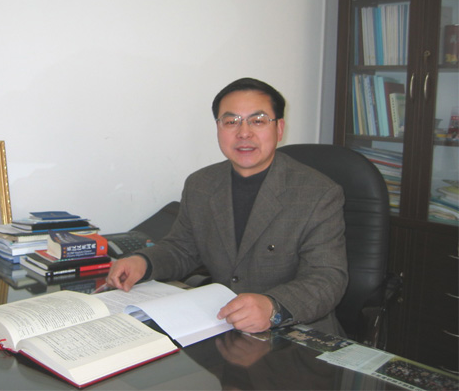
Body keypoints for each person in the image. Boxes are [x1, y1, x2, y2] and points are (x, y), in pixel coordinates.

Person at [106, 77, 348, 335]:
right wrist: (143, 262)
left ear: (279, 129)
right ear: (218, 128)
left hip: (295, 332)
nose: (244, 133)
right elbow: (183, 248)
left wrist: (273, 307)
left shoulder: (318, 194)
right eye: (231, 122)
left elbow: (327, 278)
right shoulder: (201, 184)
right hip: (223, 325)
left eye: (258, 121)